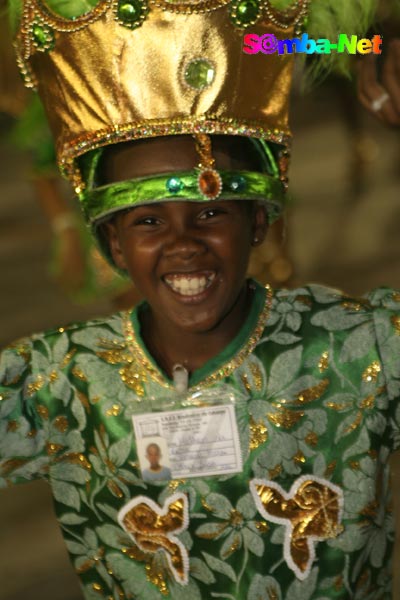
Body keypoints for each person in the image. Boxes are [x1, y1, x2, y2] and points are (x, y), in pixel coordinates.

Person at [1, 0, 400, 598]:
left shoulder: (361, 347)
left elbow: (316, 47)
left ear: (258, 222)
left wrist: (379, 43)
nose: (184, 244)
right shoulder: (58, 382)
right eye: (147, 222)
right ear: (113, 241)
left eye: (211, 211)